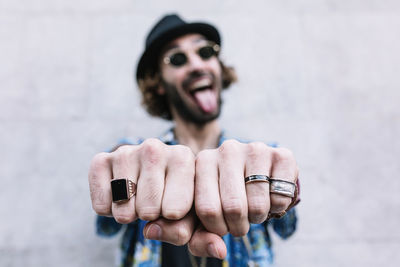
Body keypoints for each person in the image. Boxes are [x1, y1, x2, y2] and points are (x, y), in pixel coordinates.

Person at [88, 14, 300, 267]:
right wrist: (121, 168)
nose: (197, 65)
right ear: (158, 83)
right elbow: (105, 228)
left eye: (206, 52)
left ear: (219, 68)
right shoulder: (140, 155)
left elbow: (287, 229)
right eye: (177, 59)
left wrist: (282, 186)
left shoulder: (257, 158)